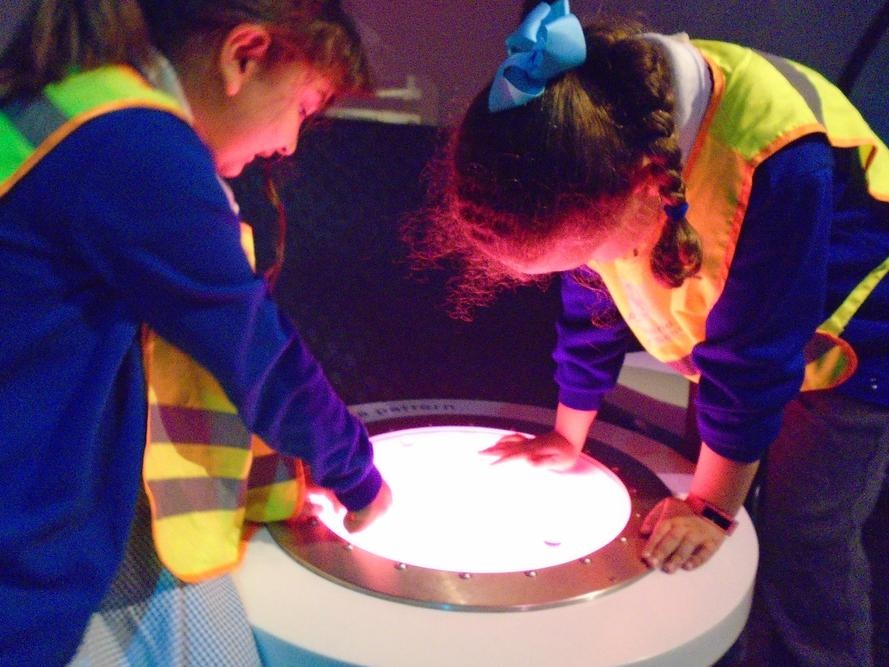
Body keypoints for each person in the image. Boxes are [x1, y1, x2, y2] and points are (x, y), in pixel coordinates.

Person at [410, 1, 889, 665]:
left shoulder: (779, 159)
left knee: (804, 529)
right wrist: (567, 435)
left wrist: (712, 510)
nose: (589, 267)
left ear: (644, 188)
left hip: (856, 343)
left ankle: (824, 655)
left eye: (587, 250)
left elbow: (753, 359)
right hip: (742, 335)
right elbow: (591, 310)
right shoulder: (601, 147)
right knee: (714, 487)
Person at [0, 1, 392, 665]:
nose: (290, 144)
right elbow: (254, 350)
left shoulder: (66, 103)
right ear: (243, 56)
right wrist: (358, 475)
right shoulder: (134, 145)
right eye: (302, 107)